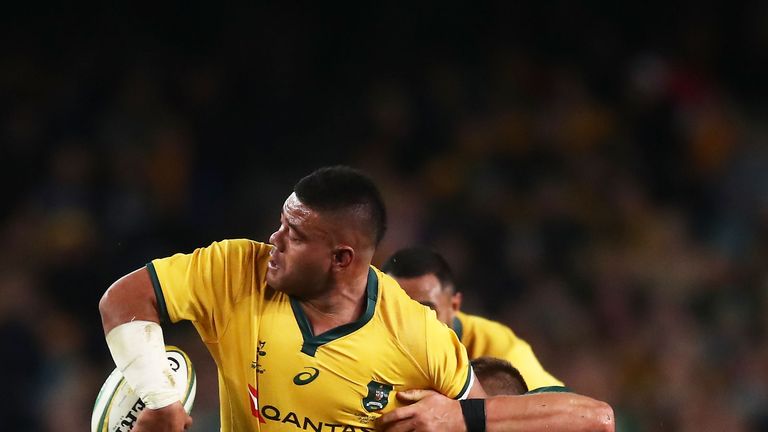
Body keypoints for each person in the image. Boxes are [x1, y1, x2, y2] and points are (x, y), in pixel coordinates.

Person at [100, 166, 614, 432]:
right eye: (280, 223)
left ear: (342, 258)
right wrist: (160, 399)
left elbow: (590, 419)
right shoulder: (237, 271)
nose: (274, 241)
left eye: (295, 235)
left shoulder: (420, 338)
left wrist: (461, 417)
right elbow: (124, 299)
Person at [382, 247, 564, 390]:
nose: (410, 325)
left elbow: (556, 412)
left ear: (454, 306)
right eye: (399, 310)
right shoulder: (368, 340)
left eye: (427, 310)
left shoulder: (500, 350)